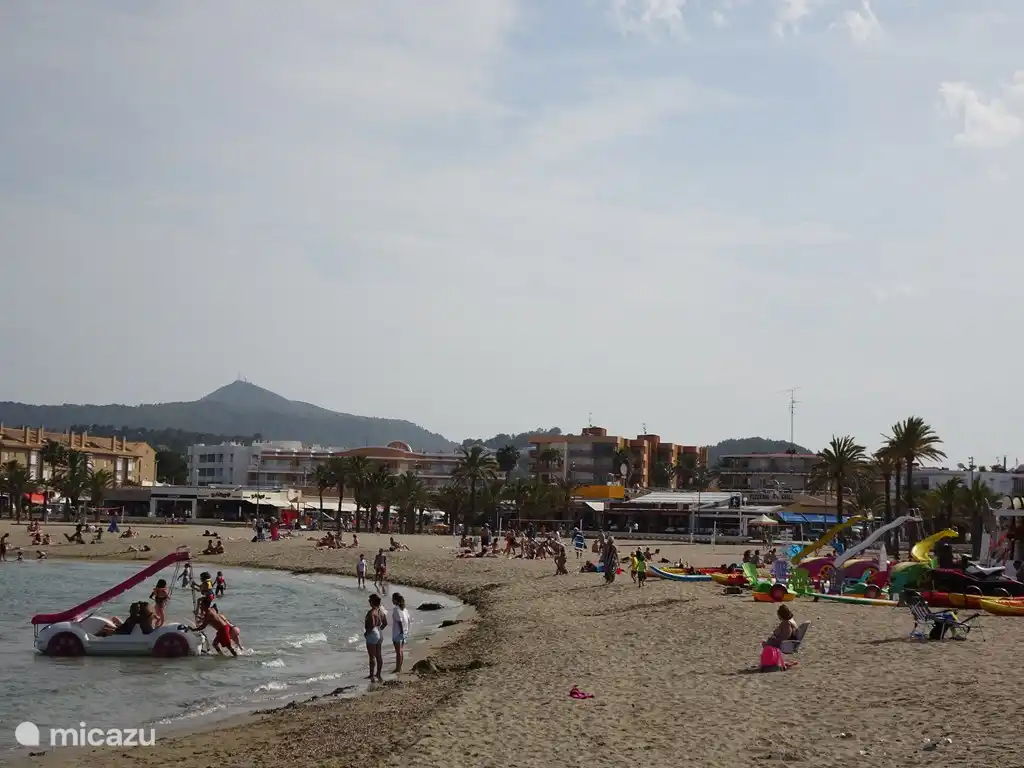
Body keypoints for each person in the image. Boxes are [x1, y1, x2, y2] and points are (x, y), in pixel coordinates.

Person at [364, 593, 388, 682]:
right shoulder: (381, 611)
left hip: (373, 632)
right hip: (379, 632)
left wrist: (367, 633)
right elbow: (385, 623)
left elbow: (372, 624)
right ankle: (378, 673)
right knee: (379, 655)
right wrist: (379, 630)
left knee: (372, 656)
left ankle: (371, 675)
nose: (369, 602)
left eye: (369, 601)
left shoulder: (371, 612)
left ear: (372, 602)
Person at [391, 592, 410, 674]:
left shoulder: (396, 609)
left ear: (395, 600)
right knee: (400, 651)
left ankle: (398, 668)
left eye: (392, 599)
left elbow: (399, 621)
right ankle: (399, 667)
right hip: (404, 632)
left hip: (398, 633)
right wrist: (406, 632)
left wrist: (401, 632)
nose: (392, 600)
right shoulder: (405, 610)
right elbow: (408, 621)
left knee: (398, 652)